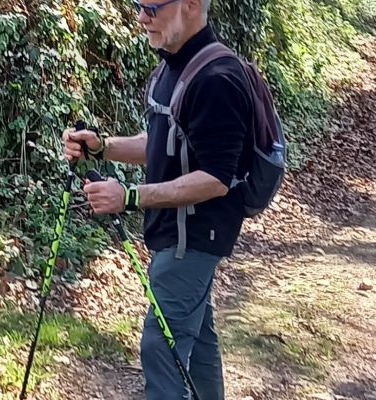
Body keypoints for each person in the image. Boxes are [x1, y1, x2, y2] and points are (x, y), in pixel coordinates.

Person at [61, 0, 259, 397]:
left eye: (151, 7)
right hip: (175, 232)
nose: (141, 17)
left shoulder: (218, 78)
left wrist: (129, 197)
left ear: (188, 5)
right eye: (138, 5)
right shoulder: (172, 67)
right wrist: (103, 147)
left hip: (194, 238)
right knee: (199, 340)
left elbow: (216, 178)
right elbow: (164, 144)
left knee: (161, 349)